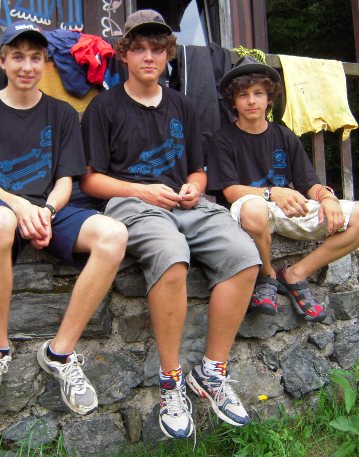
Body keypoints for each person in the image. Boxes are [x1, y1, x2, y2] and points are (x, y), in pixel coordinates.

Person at [80, 10, 260, 439]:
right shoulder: (104, 107)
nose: (149, 57)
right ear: (124, 54)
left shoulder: (183, 105)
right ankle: (170, 381)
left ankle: (212, 372)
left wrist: (196, 187)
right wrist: (142, 192)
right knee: (172, 255)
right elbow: (89, 180)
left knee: (244, 254)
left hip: (184, 205)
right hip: (132, 205)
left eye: (157, 49)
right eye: (139, 48)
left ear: (167, 55)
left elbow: (199, 169)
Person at [0, 21, 127, 416]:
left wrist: (46, 212)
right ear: (2, 61)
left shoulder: (62, 113)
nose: (27, 66)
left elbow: (66, 180)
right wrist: (21, 207)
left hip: (53, 208)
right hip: (0, 206)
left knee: (114, 234)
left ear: (46, 62)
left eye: (35, 57)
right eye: (18, 57)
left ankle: (60, 353)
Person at [206, 56, 359, 320]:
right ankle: (266, 275)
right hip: (250, 212)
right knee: (254, 209)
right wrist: (272, 193)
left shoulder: (284, 135)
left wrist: (328, 198)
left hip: (288, 208)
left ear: (269, 98)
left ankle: (295, 274)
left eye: (258, 93)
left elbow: (308, 183)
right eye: (243, 95)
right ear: (233, 101)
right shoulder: (221, 140)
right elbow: (230, 191)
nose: (251, 101)